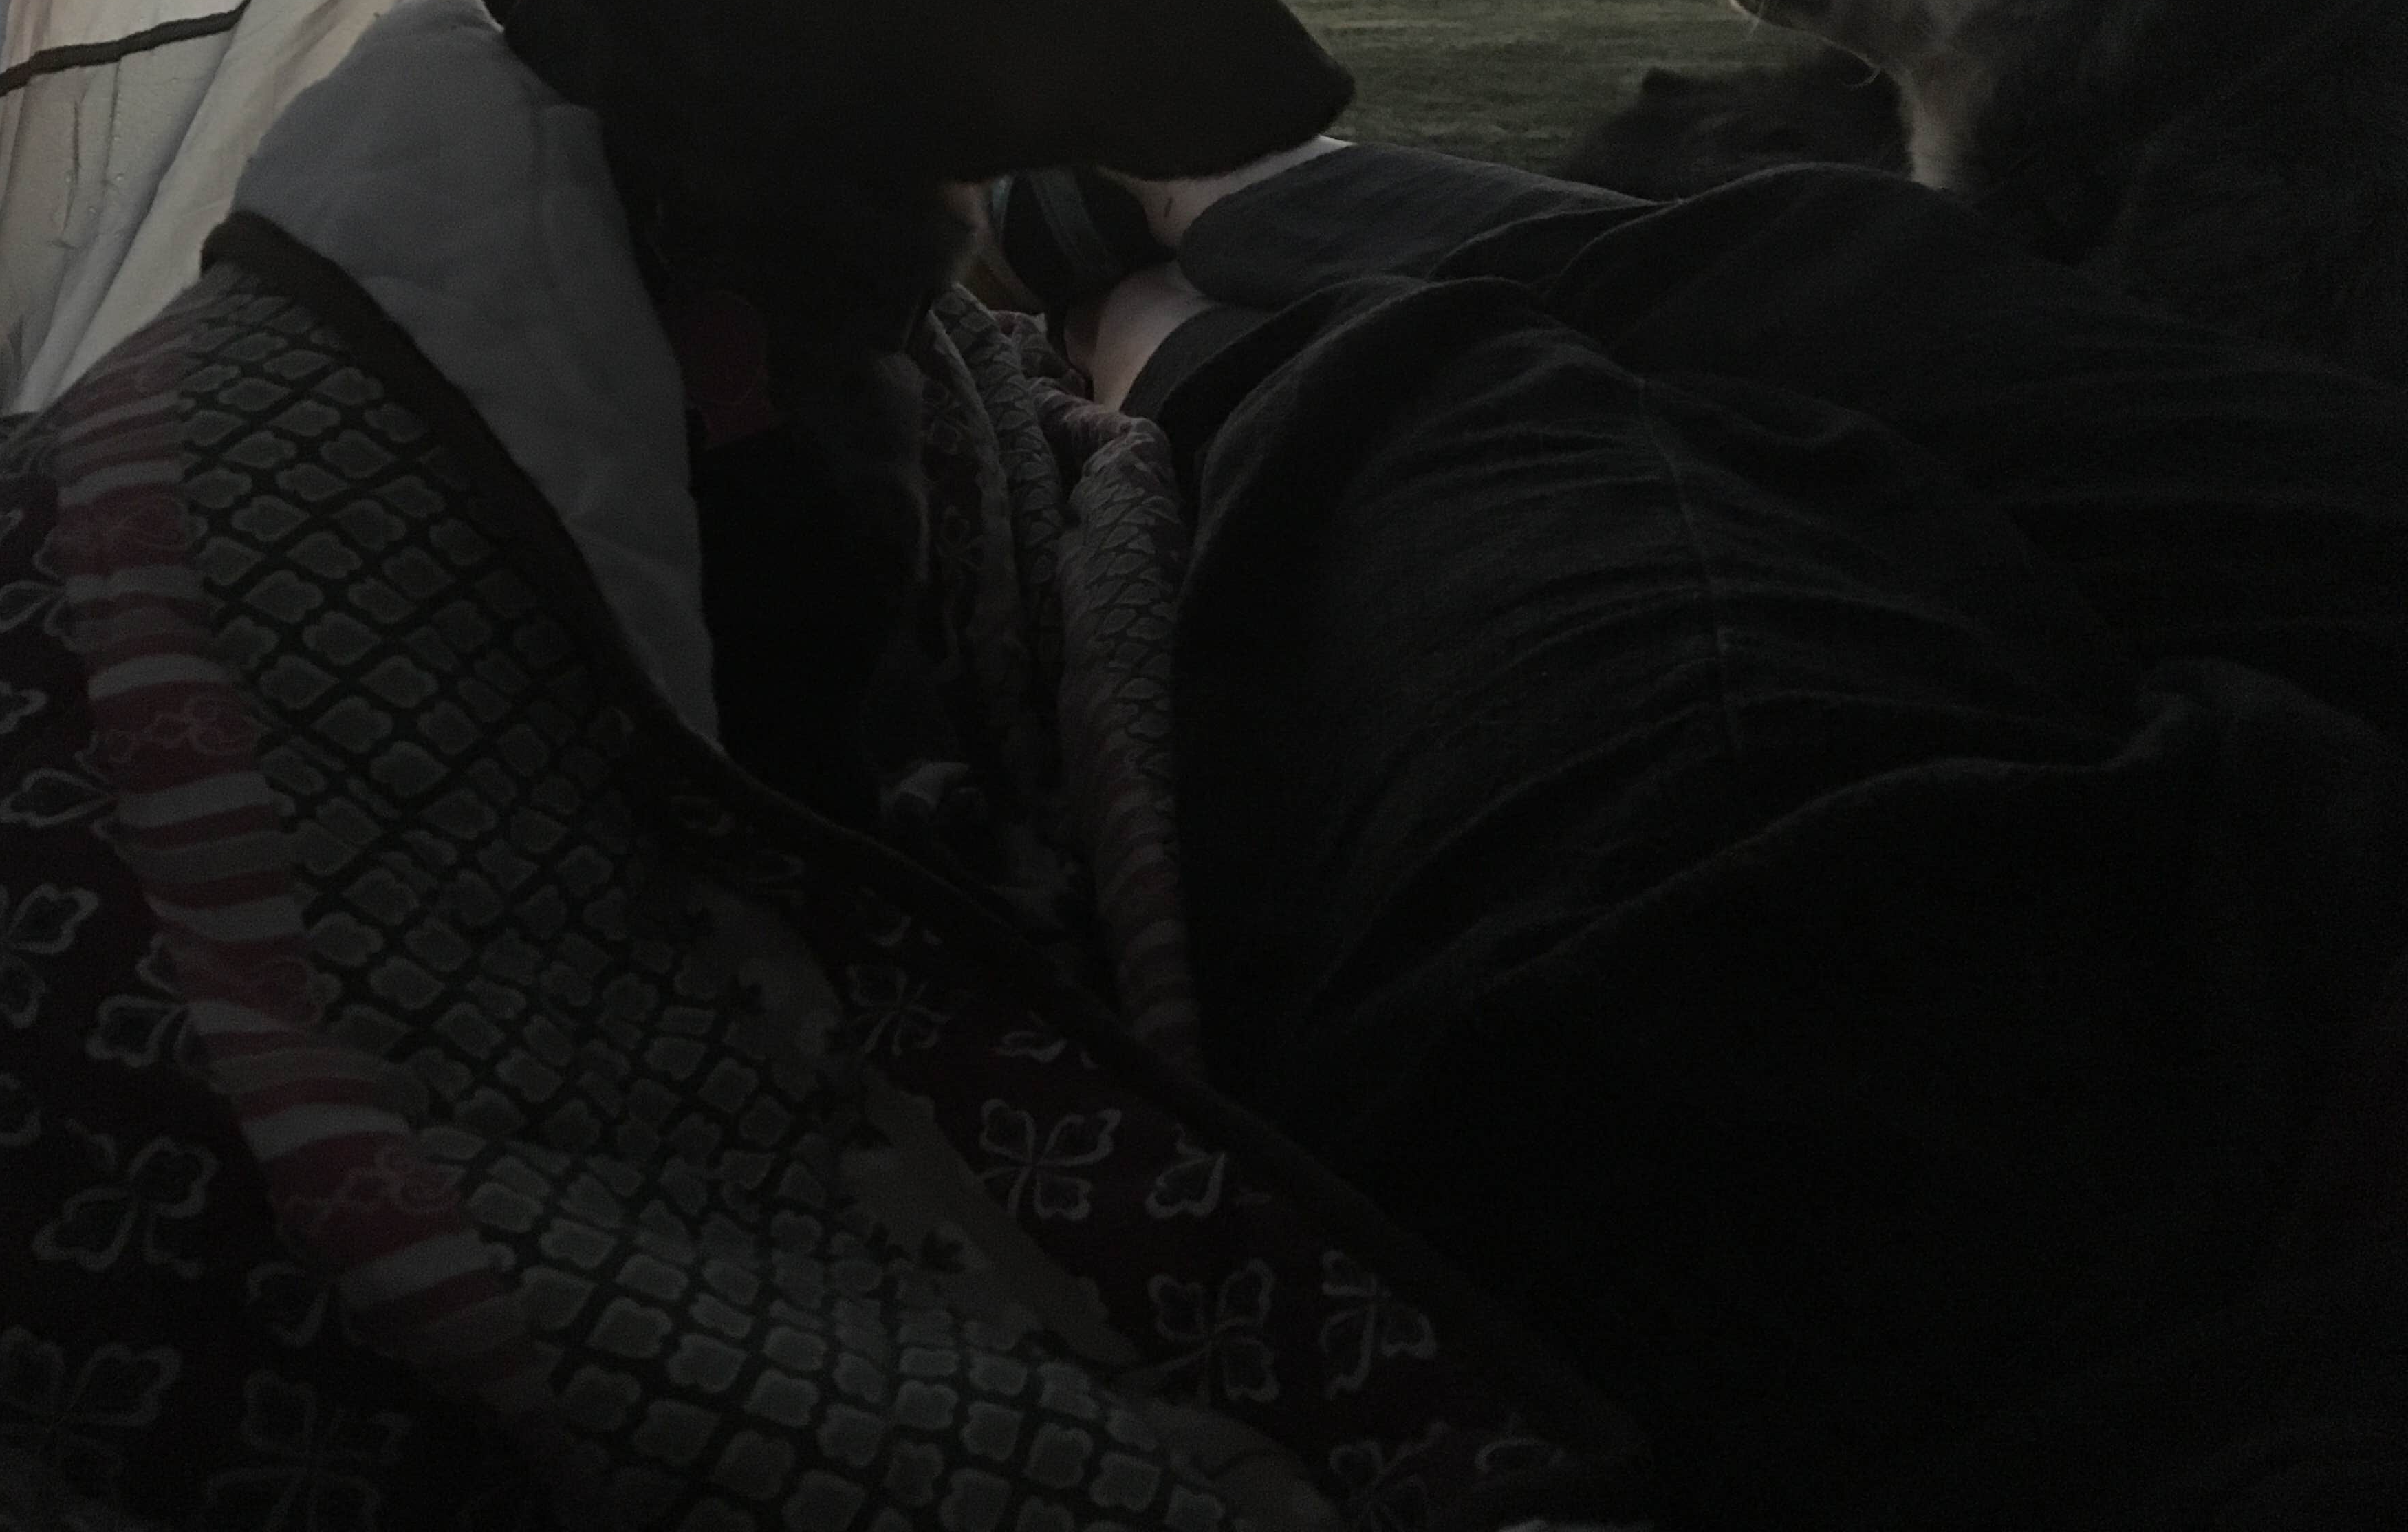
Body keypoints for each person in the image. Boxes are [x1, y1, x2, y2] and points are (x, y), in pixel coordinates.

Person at [992, 139, 2408, 1528]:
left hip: (2124, 1283)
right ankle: (1171, 178)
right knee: (1805, 269)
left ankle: (1114, 282)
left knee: (1435, 392)